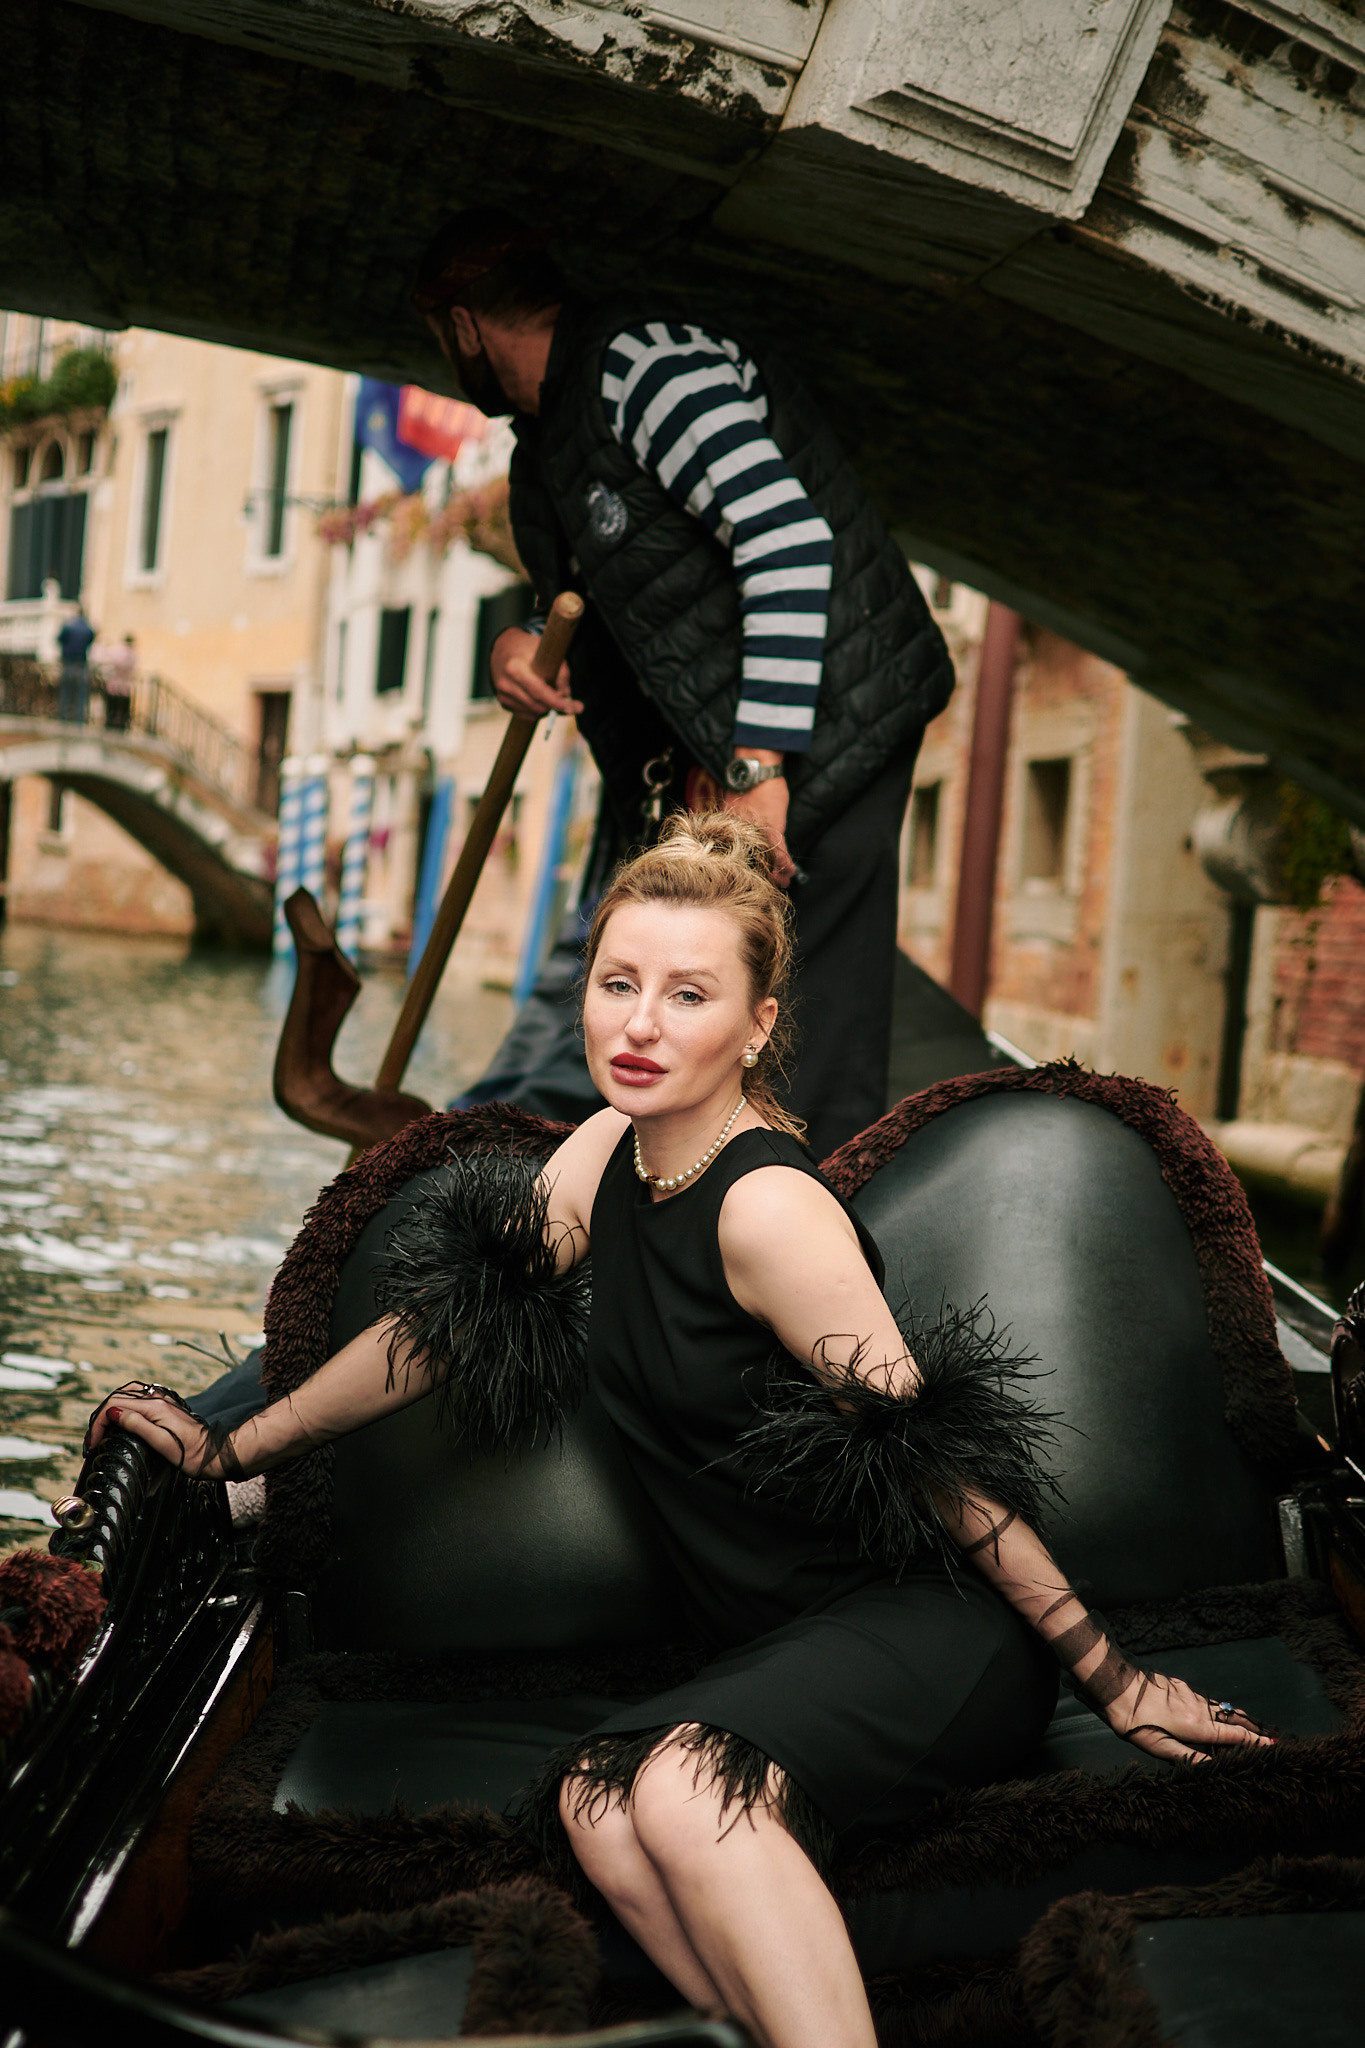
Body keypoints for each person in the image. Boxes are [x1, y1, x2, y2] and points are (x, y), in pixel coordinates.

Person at [90, 816, 1272, 2048]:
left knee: (680, 1786)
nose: (638, 1023)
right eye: (618, 983)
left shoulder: (769, 1209)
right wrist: (234, 1446)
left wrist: (1114, 1676)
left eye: (688, 992)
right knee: (601, 1799)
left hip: (927, 1627)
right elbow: (442, 1330)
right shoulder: (607, 1151)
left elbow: (945, 1466)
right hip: (777, 1636)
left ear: (758, 1023)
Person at [411, 211, 956, 1160]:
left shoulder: (645, 366)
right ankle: (627, 1235)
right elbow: (610, 605)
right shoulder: (541, 451)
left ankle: (802, 1257)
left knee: (805, 1046)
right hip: (706, 765)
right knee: (670, 1005)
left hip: (830, 725)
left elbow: (785, 542)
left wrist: (754, 764)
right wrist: (525, 644)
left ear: (462, 327)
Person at [56, 606, 96, 724]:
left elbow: (60, 639)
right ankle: (79, 717)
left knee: (66, 689)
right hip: (81, 661)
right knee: (80, 691)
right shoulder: (87, 628)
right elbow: (90, 640)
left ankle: (63, 715)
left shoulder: (69, 626)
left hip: (68, 660)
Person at [97, 632, 136, 731]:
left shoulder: (118, 651)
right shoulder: (132, 654)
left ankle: (111, 723)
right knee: (121, 708)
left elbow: (109, 662)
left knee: (113, 706)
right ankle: (120, 725)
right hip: (124, 686)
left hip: (115, 684)